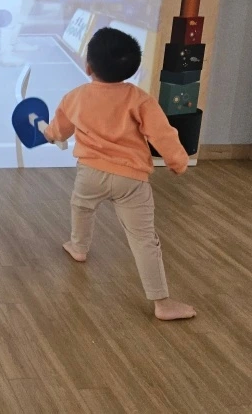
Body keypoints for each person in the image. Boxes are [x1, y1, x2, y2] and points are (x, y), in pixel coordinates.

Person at [44, 27, 196, 321]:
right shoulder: (140, 99)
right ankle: (162, 303)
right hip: (131, 179)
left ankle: (78, 246)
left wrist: (49, 135)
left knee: (81, 207)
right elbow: (163, 135)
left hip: (90, 173)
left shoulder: (75, 97)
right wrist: (178, 162)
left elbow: (59, 131)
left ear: (88, 67)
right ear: (132, 69)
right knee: (144, 239)